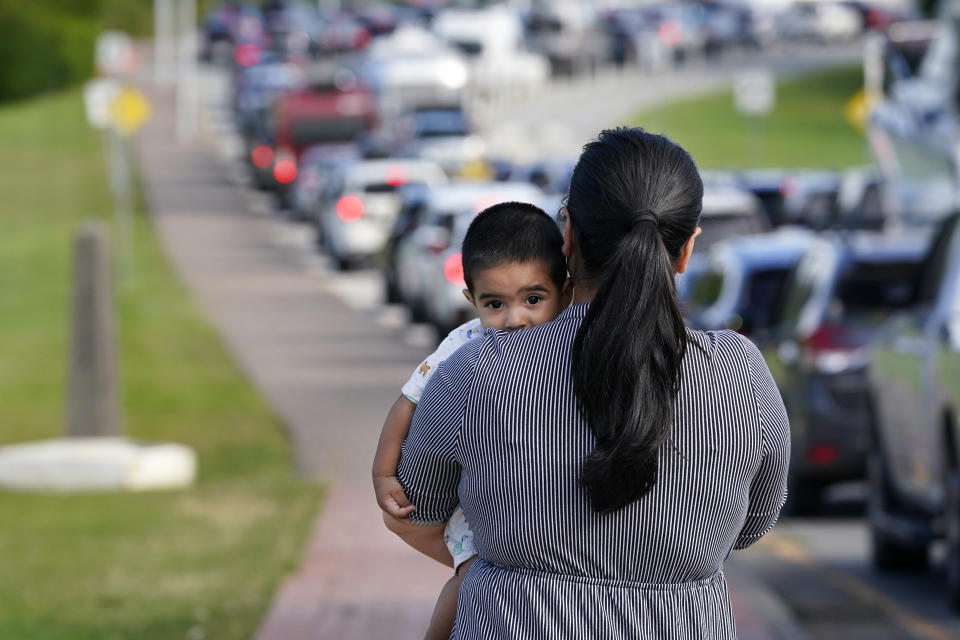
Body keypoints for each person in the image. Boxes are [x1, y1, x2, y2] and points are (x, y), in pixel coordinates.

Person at [389, 128, 791, 638]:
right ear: (686, 251)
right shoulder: (742, 377)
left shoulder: (478, 369)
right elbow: (754, 525)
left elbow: (415, 503)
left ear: (569, 236)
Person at [372, 201, 571, 640]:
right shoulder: (464, 346)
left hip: (540, 507)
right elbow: (408, 399)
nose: (515, 319)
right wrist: (384, 473)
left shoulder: (573, 343)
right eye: (495, 303)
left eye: (533, 299)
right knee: (471, 579)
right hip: (476, 506)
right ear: (471, 301)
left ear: (565, 290)